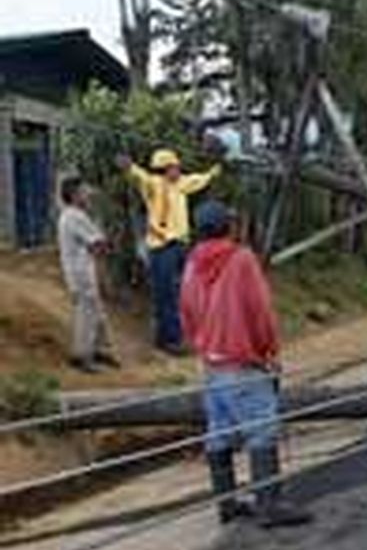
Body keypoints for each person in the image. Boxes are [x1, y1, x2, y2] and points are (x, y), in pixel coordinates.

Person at [181, 201, 312, 528]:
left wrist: (204, 344)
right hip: (243, 361)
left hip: (212, 364)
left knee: (219, 433)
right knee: (262, 429)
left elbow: (186, 311)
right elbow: (260, 310)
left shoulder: (192, 263)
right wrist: (269, 350)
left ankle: (226, 504)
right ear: (229, 226)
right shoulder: (241, 259)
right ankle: (269, 505)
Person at [117, 148, 221, 355]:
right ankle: (170, 340)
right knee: (165, 294)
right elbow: (140, 177)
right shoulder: (154, 184)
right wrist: (129, 167)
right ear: (165, 169)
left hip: (180, 245)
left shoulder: (181, 183)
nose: (178, 170)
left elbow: (199, 180)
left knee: (176, 293)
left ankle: (168, 338)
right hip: (162, 247)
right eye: (174, 167)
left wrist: (214, 171)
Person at [56, 177, 119, 374]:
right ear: (75, 195)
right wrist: (109, 242)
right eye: (84, 192)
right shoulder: (75, 216)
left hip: (81, 271)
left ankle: (99, 350)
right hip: (80, 274)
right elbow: (97, 244)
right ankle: (81, 356)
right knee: (87, 314)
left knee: (97, 313)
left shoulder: (73, 215)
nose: (88, 195)